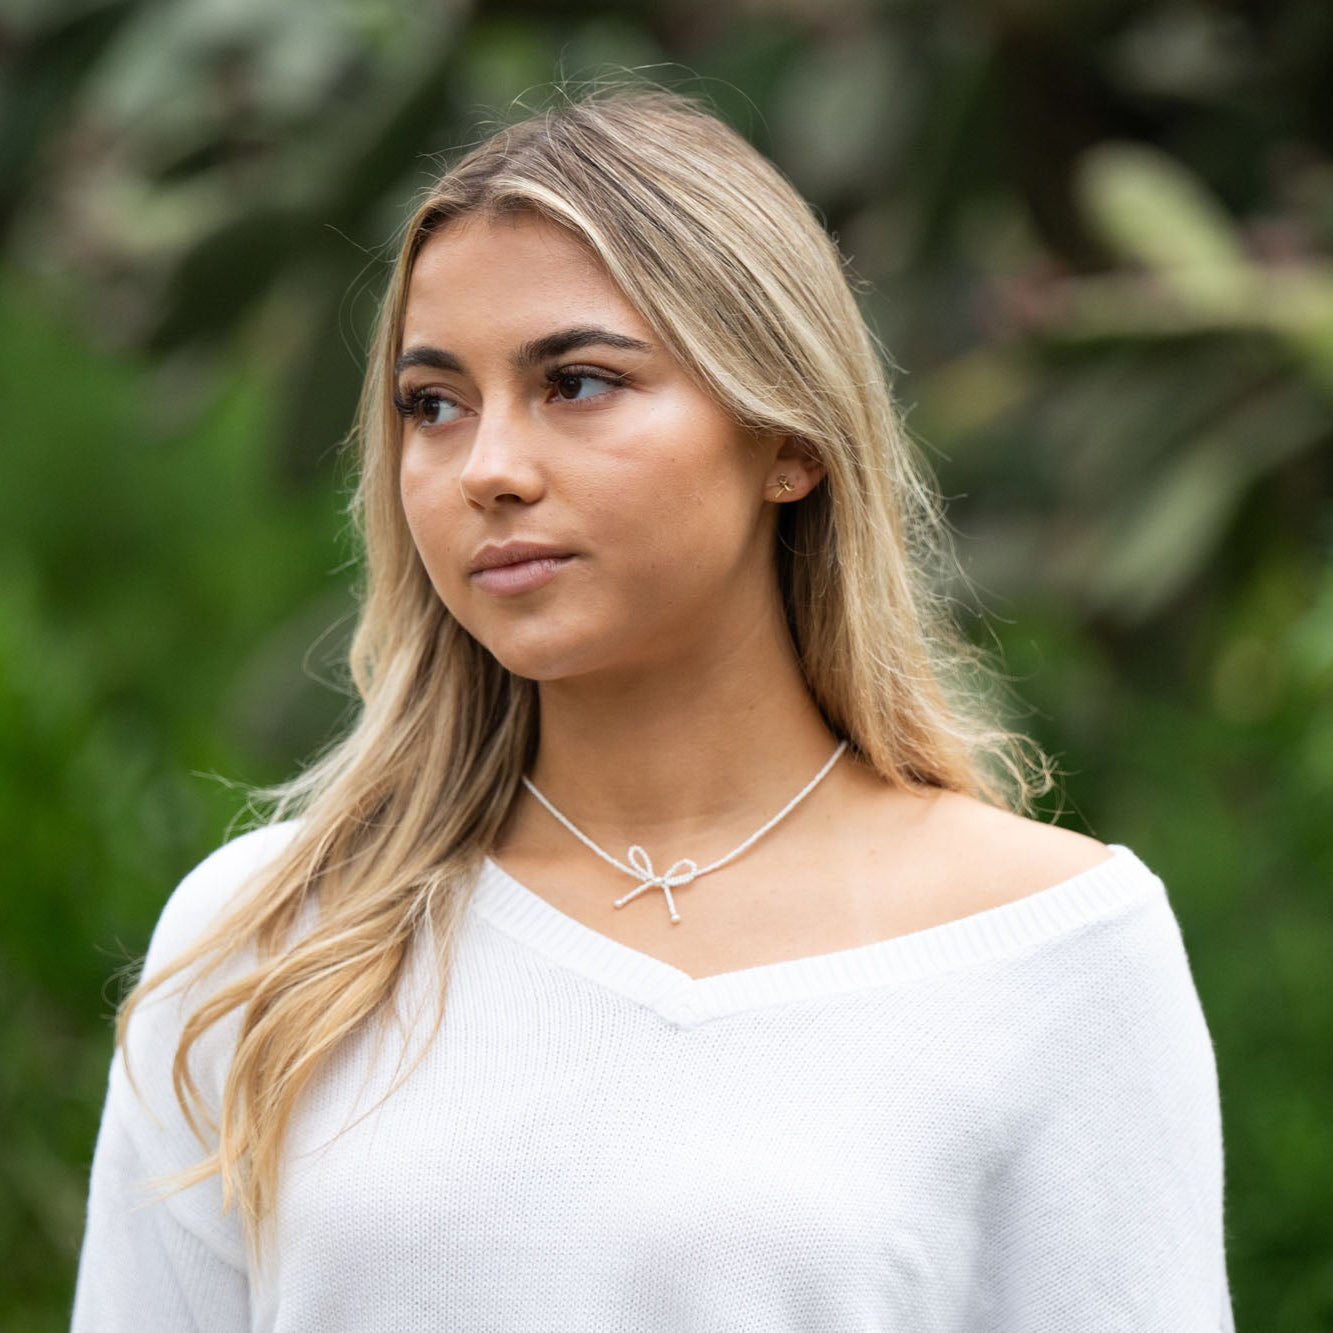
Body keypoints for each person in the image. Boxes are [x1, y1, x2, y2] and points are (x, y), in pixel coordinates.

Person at [73, 88, 1233, 1331]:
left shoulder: (1049, 949)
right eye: (434, 404)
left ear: (788, 438)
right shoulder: (268, 941)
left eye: (576, 382)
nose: (488, 469)